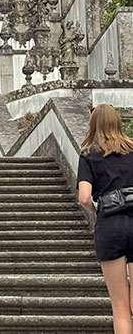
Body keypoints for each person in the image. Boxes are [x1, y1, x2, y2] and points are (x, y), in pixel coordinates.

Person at [77, 104, 133, 334]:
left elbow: (84, 197)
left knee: (120, 307)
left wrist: (95, 209)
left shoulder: (89, 155)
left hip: (110, 225)